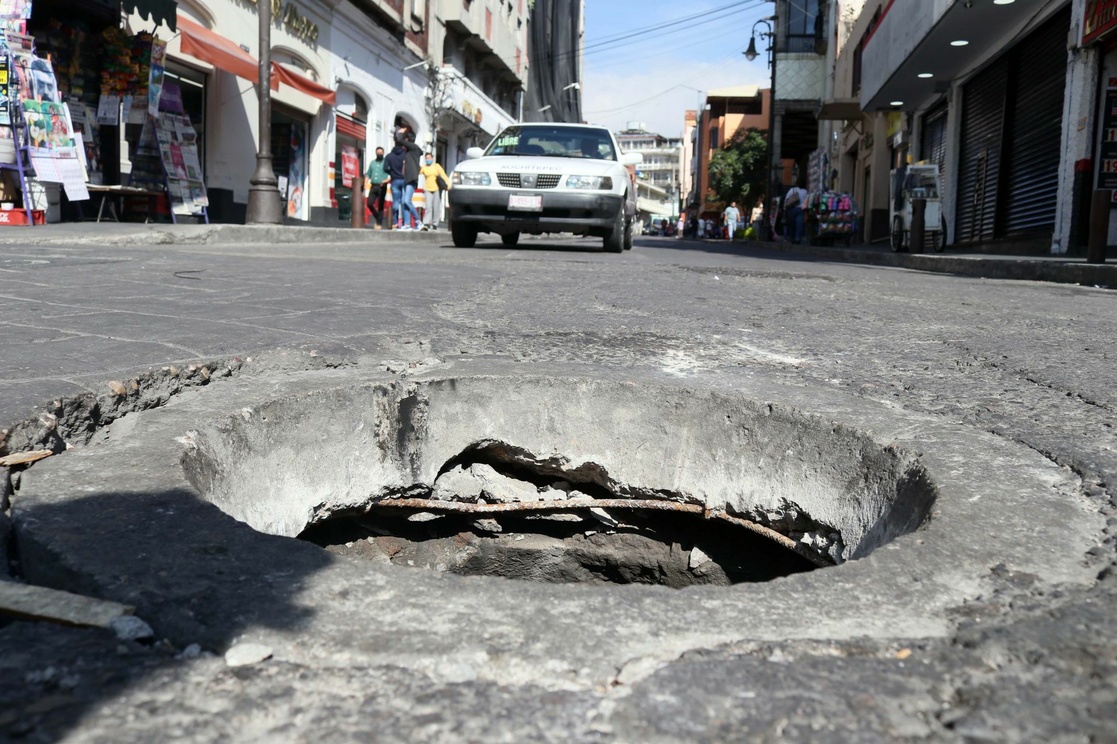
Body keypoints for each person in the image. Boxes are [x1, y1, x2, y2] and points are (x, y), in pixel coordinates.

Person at [419, 153, 450, 231]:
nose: (428, 160)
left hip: (436, 188)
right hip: (427, 189)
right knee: (428, 206)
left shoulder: (437, 166)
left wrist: (448, 185)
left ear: (432, 158)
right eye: (426, 158)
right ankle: (426, 223)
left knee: (436, 206)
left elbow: (443, 175)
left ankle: (435, 223)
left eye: (429, 158)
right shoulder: (424, 168)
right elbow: (417, 172)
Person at [383, 142, 407, 230]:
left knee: (395, 202)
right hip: (404, 180)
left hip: (395, 180)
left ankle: (395, 222)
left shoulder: (389, 156)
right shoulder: (405, 155)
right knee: (404, 202)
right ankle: (405, 223)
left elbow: (385, 168)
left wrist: (392, 172)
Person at [365, 147, 390, 229]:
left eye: (381, 152)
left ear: (383, 153)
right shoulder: (372, 163)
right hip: (373, 186)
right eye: (378, 152)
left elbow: (392, 174)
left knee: (380, 205)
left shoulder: (386, 163)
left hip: (382, 186)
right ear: (376, 153)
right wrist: (365, 183)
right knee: (369, 203)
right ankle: (377, 216)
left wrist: (386, 181)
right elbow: (368, 174)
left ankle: (379, 223)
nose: (379, 154)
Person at [784, 180, 809, 245]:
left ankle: (792, 237)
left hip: (792, 208)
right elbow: (807, 201)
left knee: (792, 224)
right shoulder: (806, 192)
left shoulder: (792, 190)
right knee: (799, 225)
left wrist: (785, 208)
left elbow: (787, 198)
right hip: (801, 209)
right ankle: (797, 238)